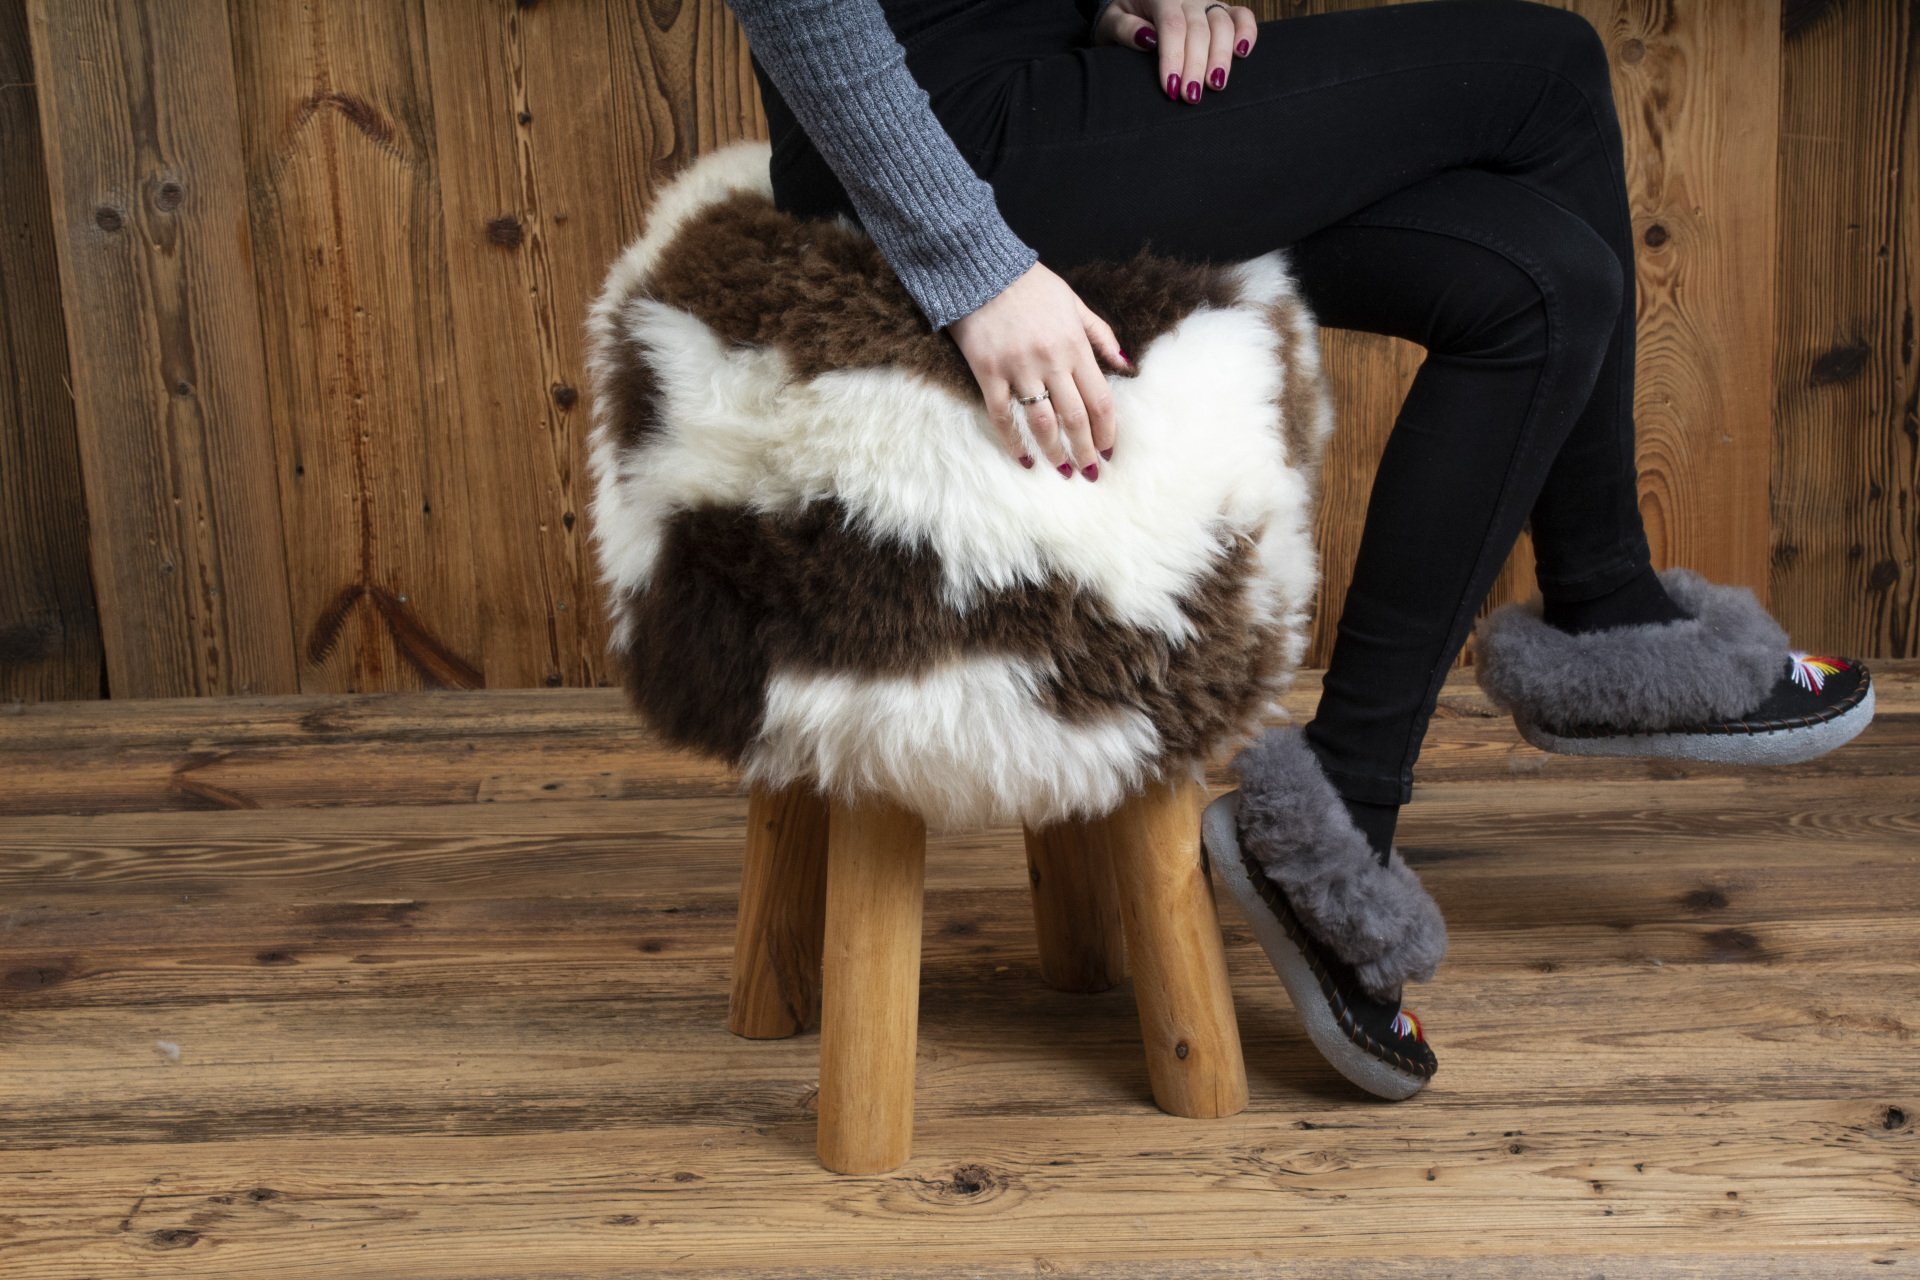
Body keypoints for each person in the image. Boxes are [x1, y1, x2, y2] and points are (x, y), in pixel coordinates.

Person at [719, 0, 1875, 1098]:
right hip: (936, 150)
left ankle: (1345, 812)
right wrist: (974, 267)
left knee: (1544, 280)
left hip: (1047, 99)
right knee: (1553, 72)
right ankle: (1603, 603)